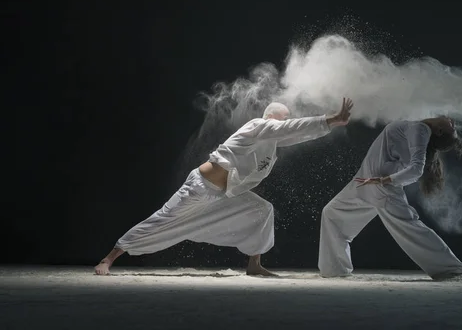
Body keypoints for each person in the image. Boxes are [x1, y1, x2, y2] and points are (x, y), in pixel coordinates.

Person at [95, 98, 354, 276]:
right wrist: (329, 118)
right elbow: (289, 128)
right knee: (164, 218)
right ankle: (109, 258)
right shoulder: (258, 125)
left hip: (223, 193)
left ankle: (254, 264)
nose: (284, 123)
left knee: (262, 209)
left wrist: (329, 124)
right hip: (199, 187)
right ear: (272, 117)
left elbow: (295, 133)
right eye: (283, 119)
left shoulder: (271, 143)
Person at [318, 117, 462, 281]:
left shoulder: (420, 129)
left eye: (452, 127)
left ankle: (452, 270)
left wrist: (384, 180)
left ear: (439, 131)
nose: (452, 121)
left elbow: (416, 170)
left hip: (379, 185)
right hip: (366, 181)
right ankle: (334, 269)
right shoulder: (419, 125)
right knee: (332, 213)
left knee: (409, 227)